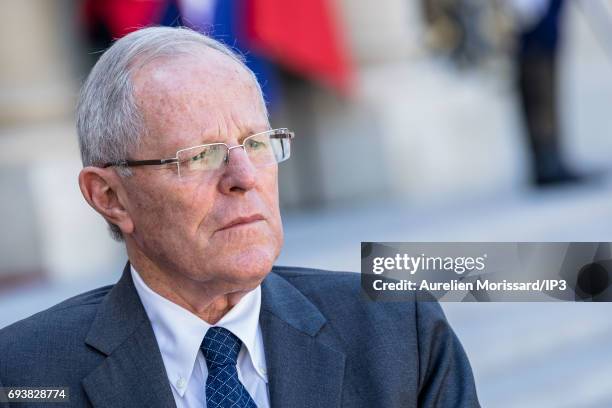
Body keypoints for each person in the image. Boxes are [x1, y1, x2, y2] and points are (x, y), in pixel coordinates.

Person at [0, 27, 479, 407]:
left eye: (256, 144)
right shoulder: (22, 375)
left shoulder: (398, 331)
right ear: (110, 197)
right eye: (200, 156)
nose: (244, 176)